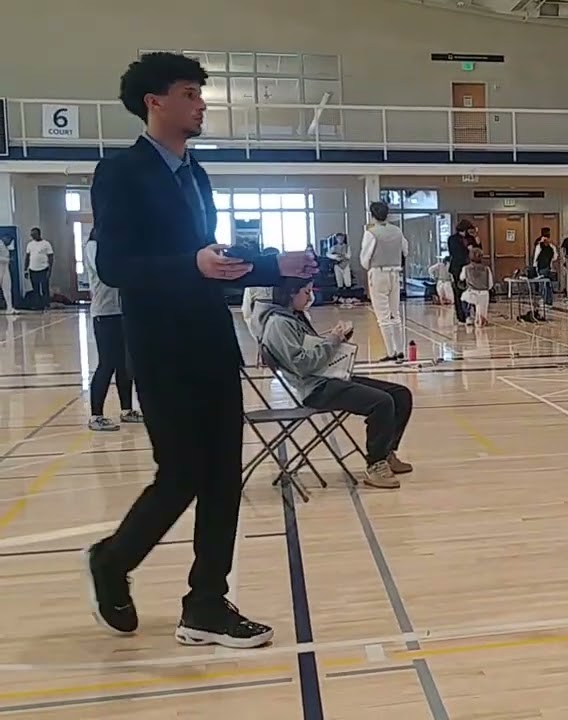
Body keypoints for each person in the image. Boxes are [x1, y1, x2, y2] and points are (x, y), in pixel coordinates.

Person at [85, 52, 317, 649]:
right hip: (160, 348)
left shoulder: (197, 174)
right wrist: (190, 263)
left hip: (212, 342)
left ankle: (206, 603)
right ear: (154, 102)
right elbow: (114, 265)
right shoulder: (121, 172)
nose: (201, 104)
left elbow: (213, 263)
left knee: (223, 477)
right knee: (182, 472)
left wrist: (276, 266)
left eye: (199, 94)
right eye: (189, 93)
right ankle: (113, 560)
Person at [259, 279, 413, 489]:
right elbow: (303, 365)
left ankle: (386, 452)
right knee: (381, 402)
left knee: (400, 394)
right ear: (291, 293)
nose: (310, 297)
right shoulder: (279, 324)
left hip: (328, 377)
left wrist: (337, 338)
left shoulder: (293, 317)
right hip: (315, 388)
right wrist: (332, 340)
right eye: (306, 292)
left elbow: (311, 349)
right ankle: (375, 464)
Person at [84, 230, 143, 432]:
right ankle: (96, 416)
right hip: (104, 313)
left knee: (124, 364)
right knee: (107, 363)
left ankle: (127, 409)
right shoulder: (93, 247)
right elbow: (107, 273)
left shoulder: (115, 248)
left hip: (122, 312)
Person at [360, 201, 409, 362]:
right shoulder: (397, 231)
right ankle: (400, 350)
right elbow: (405, 250)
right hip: (395, 274)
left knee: (383, 317)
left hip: (378, 273)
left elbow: (365, 259)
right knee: (395, 314)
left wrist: (370, 266)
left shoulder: (371, 233)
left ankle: (391, 352)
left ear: (372, 215)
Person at [447, 219, 478, 323]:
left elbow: (478, 250)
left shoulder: (471, 239)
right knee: (458, 291)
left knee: (471, 290)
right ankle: (461, 315)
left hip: (470, 267)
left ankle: (471, 313)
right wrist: (467, 250)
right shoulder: (453, 239)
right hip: (458, 267)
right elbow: (454, 253)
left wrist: (477, 240)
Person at [461, 246, 494, 326]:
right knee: (481, 318)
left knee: (463, 298)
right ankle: (480, 318)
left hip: (472, 292)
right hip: (484, 294)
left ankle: (469, 317)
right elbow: (490, 284)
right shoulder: (487, 268)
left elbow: (461, 278)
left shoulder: (466, 268)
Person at [25, 228, 53, 310]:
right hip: (32, 269)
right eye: (31, 234)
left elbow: (51, 257)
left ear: (38, 234)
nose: (32, 236)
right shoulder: (30, 244)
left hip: (43, 269)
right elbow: (27, 257)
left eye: (34, 234)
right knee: (35, 288)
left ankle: (46, 304)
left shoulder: (46, 244)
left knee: (44, 287)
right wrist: (25, 269)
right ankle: (38, 305)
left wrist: (50, 269)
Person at [532, 227, 557, 309]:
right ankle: (549, 301)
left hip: (541, 267)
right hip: (548, 267)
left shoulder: (539, 245)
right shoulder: (551, 246)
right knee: (548, 285)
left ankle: (545, 300)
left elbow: (535, 257)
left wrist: (535, 266)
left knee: (543, 284)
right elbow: (555, 257)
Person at [0, 231, 14, 314]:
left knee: (7, 288)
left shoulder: (5, 247)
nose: (9, 243)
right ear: (5, 238)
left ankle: (10, 308)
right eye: (9, 240)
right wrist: (8, 260)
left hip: (5, 269)